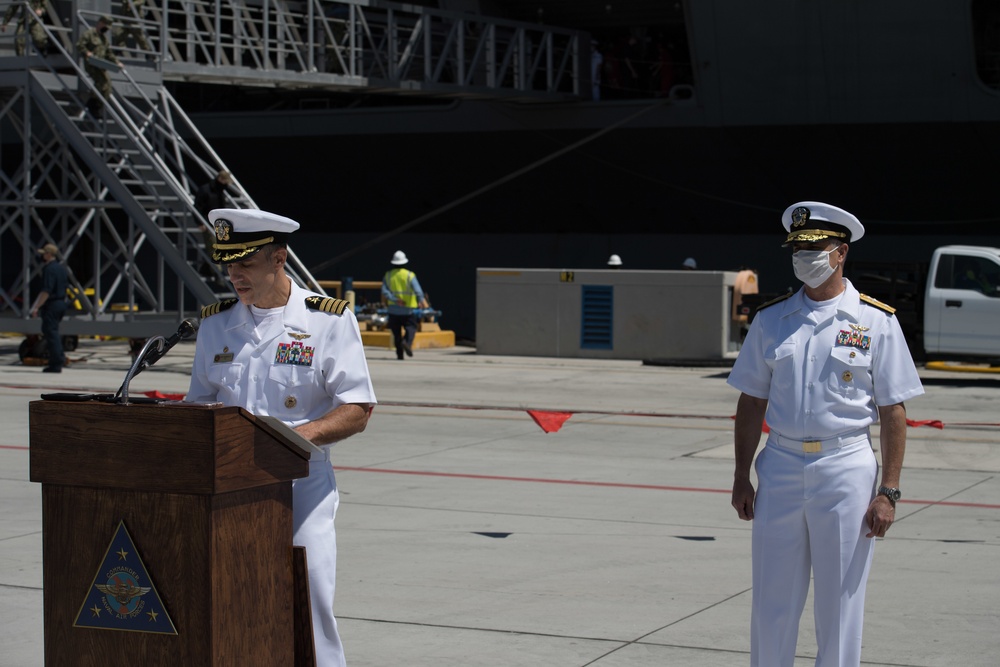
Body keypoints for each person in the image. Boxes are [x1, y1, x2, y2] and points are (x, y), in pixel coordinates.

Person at [728, 201, 925, 667]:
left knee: (840, 604)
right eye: (796, 248)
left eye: (814, 248)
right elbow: (751, 401)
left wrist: (889, 492)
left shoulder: (876, 320)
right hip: (779, 466)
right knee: (772, 601)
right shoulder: (771, 320)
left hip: (846, 468)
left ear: (841, 253)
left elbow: (892, 409)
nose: (803, 257)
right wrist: (741, 475)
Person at [186, 208, 376, 667]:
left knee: (308, 592)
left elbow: (358, 408)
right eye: (228, 265)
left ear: (278, 258)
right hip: (230, 483)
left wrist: (292, 437)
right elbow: (198, 405)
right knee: (231, 596)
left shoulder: (327, 320)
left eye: (244, 264)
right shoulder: (215, 324)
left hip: (300, 484)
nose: (234, 276)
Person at [381, 250, 428, 360]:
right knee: (411, 327)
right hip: (408, 310)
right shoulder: (409, 275)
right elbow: (418, 290)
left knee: (396, 333)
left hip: (393, 310)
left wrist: (395, 299)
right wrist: (421, 300)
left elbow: (384, 291)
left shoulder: (388, 275)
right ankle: (407, 342)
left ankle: (400, 355)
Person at [30, 243, 69, 373]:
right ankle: (58, 358)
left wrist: (36, 307)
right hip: (61, 303)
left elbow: (46, 290)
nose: (41, 256)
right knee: (53, 332)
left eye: (43, 254)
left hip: (52, 305)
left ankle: (57, 362)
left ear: (48, 254)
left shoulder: (49, 269)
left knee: (50, 332)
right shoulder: (61, 268)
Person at [76, 15, 123, 116]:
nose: (106, 30)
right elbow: (79, 45)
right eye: (105, 27)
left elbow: (109, 53)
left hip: (100, 65)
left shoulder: (104, 39)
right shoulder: (89, 34)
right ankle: (92, 105)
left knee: (108, 87)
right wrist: (87, 53)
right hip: (91, 64)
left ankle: (96, 105)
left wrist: (117, 62)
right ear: (100, 23)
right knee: (102, 83)